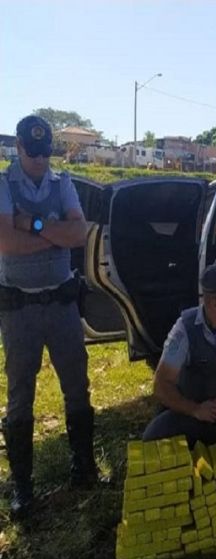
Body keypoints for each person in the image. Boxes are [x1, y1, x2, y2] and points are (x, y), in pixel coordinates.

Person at [0, 115, 98, 519]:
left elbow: (79, 235)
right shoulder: (3, 184)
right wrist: (51, 231)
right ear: (19, 148)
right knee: (20, 395)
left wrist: (32, 223)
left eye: (45, 151)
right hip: (20, 307)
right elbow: (6, 242)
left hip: (60, 304)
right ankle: (23, 487)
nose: (40, 158)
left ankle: (84, 466)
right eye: (32, 150)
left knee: (77, 385)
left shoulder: (63, 184)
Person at [142, 264, 216, 447]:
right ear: (214, 303)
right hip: (184, 410)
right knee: (150, 441)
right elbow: (161, 385)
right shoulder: (184, 330)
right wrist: (196, 410)